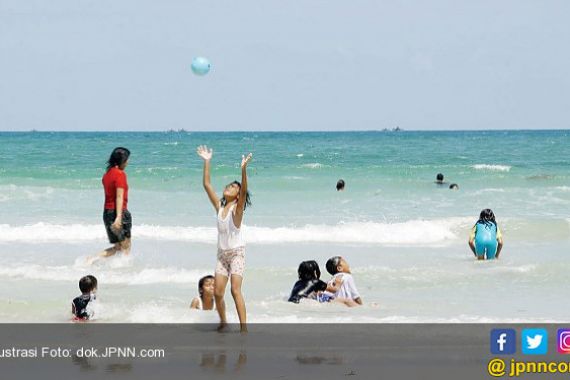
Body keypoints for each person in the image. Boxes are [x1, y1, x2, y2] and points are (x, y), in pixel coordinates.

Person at [197, 145, 252, 332]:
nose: (230, 187)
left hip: (237, 254)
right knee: (218, 294)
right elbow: (206, 185)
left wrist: (243, 170)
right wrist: (207, 161)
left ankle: (244, 330)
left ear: (237, 196)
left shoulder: (237, 211)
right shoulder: (220, 208)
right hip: (222, 255)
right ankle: (223, 322)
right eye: (229, 185)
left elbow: (244, 193)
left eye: (234, 187)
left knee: (235, 290)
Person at [88, 147, 132, 264]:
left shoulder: (107, 175)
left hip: (107, 213)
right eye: (127, 160)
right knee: (126, 246)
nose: (128, 162)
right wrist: (118, 217)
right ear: (122, 160)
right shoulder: (120, 174)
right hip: (119, 213)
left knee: (118, 247)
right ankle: (125, 269)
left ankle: (93, 258)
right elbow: (119, 197)